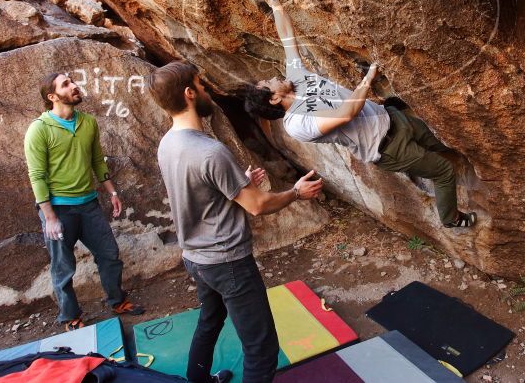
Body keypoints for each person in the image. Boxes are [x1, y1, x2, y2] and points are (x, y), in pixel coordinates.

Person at [243, 0, 475, 229]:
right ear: (274, 98)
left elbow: (287, 38)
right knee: (443, 171)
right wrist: (368, 78)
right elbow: (346, 114)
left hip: (393, 119)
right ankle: (451, 218)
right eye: (268, 83)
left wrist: (275, 3)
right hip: (388, 148)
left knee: (440, 142)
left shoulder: (295, 78)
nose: (273, 77)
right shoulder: (297, 124)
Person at [147, 61, 323, 383]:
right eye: (201, 85)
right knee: (261, 348)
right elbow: (257, 206)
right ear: (189, 94)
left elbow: (199, 190)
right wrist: (296, 193)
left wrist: (237, 182)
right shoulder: (211, 151)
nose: (206, 91)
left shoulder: (167, 143)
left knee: (210, 321)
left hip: (196, 259)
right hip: (228, 263)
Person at [24, 73, 145, 332]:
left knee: (110, 255)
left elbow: (97, 161)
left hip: (89, 204)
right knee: (63, 267)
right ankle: (70, 315)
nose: (75, 86)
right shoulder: (39, 129)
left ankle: (117, 301)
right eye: (66, 84)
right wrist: (50, 217)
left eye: (73, 81)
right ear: (52, 97)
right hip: (58, 209)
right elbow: (36, 175)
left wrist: (112, 193)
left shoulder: (88, 122)